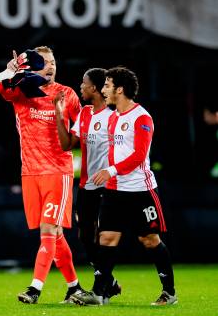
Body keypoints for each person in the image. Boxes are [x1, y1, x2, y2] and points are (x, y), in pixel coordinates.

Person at [70, 66, 177, 306]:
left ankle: (169, 292)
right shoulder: (113, 117)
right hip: (114, 190)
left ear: (120, 89)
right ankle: (99, 294)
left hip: (141, 190)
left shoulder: (142, 117)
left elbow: (139, 155)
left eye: (107, 86)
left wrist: (110, 170)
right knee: (106, 238)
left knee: (149, 240)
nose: (104, 90)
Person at [0, 46, 84, 304]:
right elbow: (1, 89)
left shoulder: (67, 94)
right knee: (55, 235)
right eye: (44, 62)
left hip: (58, 171)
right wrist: (9, 71)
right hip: (30, 173)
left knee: (48, 230)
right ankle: (74, 288)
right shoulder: (22, 91)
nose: (50, 66)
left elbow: (80, 135)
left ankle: (35, 289)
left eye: (53, 61)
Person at [54, 68, 121, 304]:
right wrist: (58, 114)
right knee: (84, 236)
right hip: (86, 185)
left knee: (105, 235)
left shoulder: (114, 116)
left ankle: (99, 290)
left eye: (83, 83)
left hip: (111, 185)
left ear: (94, 88)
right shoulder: (84, 114)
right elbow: (66, 145)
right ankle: (109, 281)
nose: (80, 87)